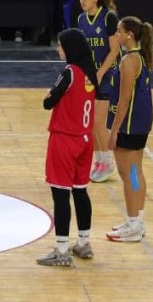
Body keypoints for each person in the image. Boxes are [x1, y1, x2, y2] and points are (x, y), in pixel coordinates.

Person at [36, 28, 97, 267]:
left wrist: (49, 95)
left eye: (60, 45)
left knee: (61, 195)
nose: (58, 49)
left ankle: (62, 250)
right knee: (80, 192)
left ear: (71, 48)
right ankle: (83, 243)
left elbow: (48, 103)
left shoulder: (69, 72)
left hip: (65, 139)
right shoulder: (90, 73)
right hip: (85, 140)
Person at [106, 16, 153, 243]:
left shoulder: (129, 60)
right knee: (136, 173)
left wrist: (114, 130)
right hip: (140, 122)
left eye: (119, 31)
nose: (116, 34)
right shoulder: (139, 57)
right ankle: (137, 220)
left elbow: (124, 99)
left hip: (129, 124)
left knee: (129, 174)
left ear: (129, 35)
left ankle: (134, 223)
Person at [77, 0, 121, 183]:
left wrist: (101, 73)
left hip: (108, 74)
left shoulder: (108, 17)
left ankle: (108, 162)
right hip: (91, 75)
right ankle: (100, 161)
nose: (82, 1)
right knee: (90, 124)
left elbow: (114, 50)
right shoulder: (81, 19)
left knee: (97, 122)